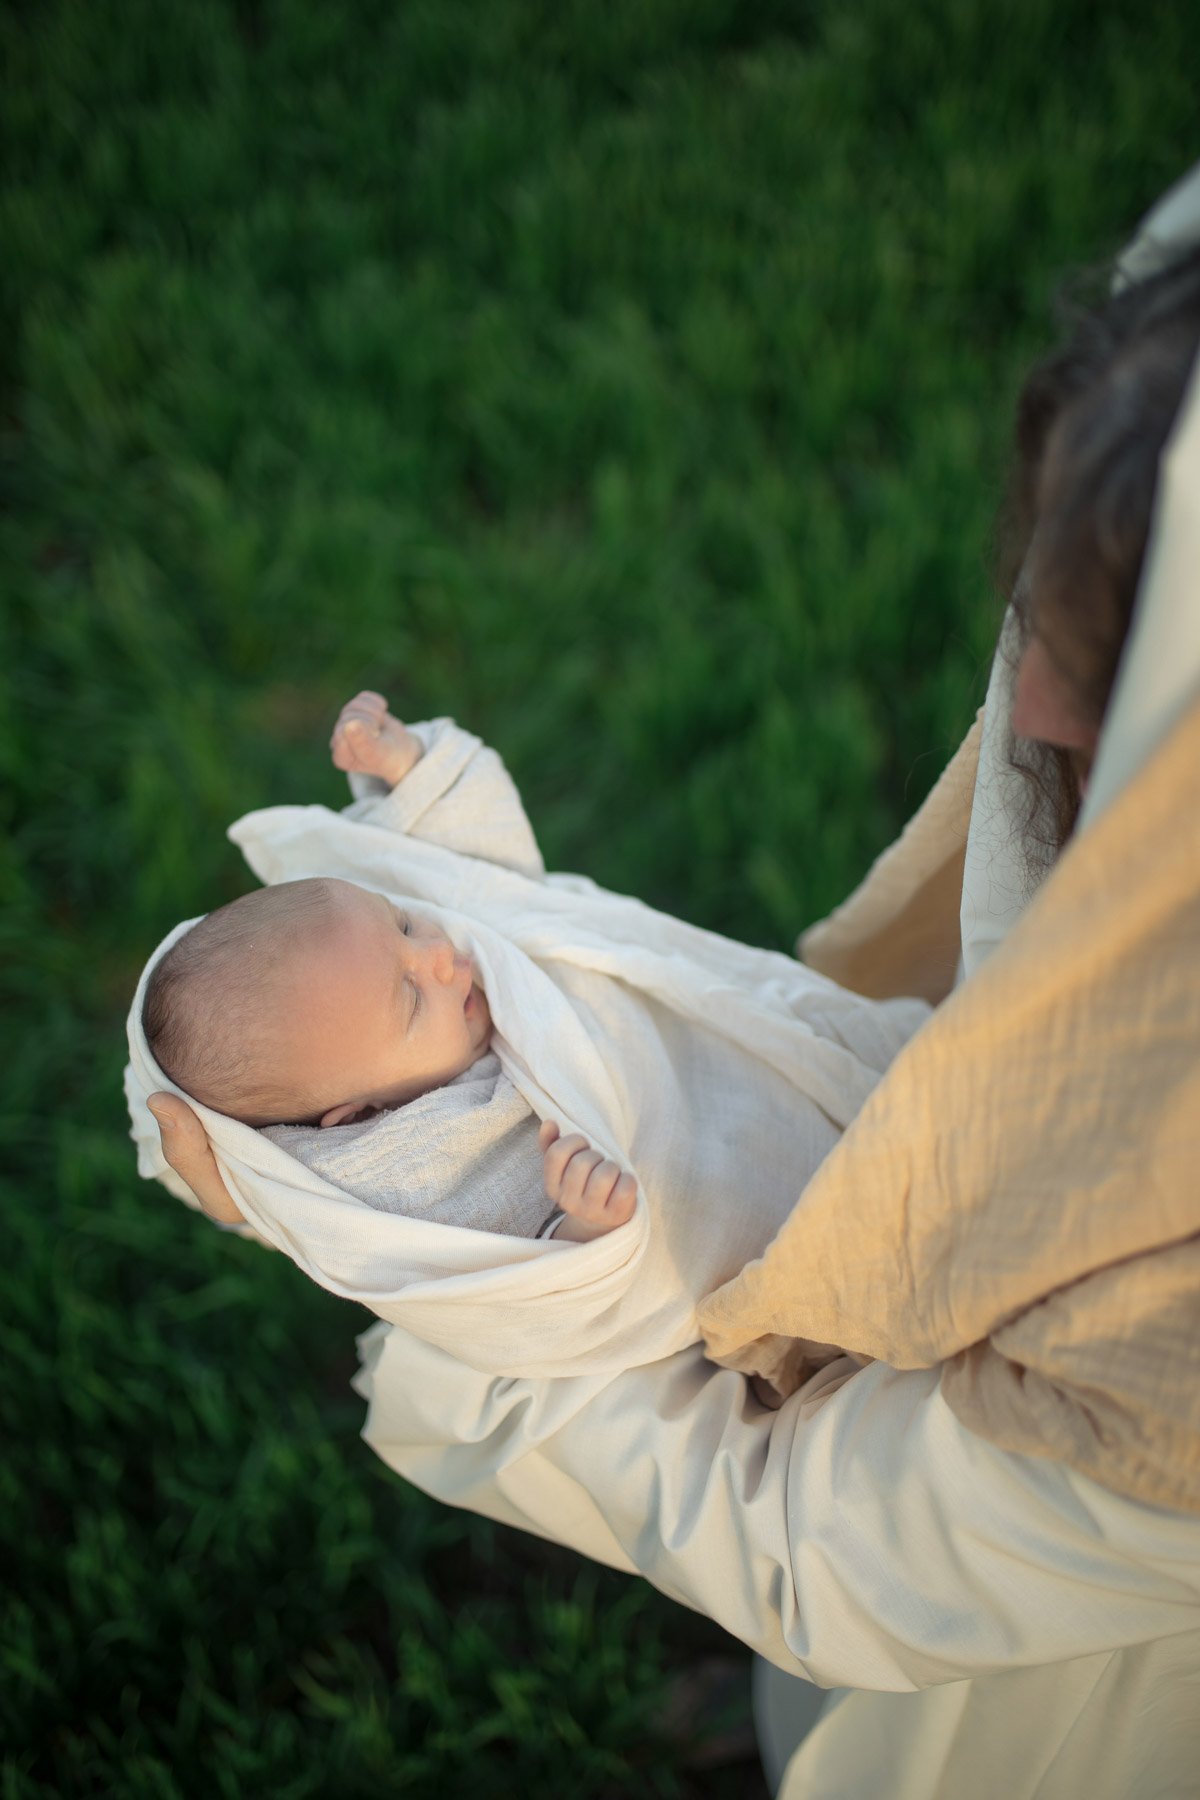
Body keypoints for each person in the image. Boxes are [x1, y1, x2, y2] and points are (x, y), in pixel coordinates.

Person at [148, 168, 1200, 1796]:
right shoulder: (412, 1139)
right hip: (793, 1173)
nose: (1032, 711)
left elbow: (820, 1535)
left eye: (1115, 664)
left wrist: (465, 1336)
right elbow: (474, 945)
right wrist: (412, 831)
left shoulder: (1162, 1357)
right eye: (1035, 603)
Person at [128, 694, 926, 1378]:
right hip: (688, 1185)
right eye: (410, 997)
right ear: (357, 1114)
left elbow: (469, 877)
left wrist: (407, 772)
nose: (442, 956)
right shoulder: (412, 1172)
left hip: (684, 1047)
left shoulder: (414, 968)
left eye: (401, 923)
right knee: (824, 1216)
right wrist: (580, 1231)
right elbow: (508, 1291)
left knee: (842, 1081)